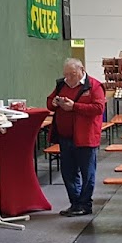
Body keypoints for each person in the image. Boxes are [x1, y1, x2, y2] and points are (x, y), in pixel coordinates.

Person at [47, 58, 106, 217]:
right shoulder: (61, 85)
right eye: (66, 74)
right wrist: (54, 103)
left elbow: (99, 108)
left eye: (72, 74)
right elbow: (49, 102)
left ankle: (85, 204)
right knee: (68, 172)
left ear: (82, 70)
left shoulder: (94, 86)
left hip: (86, 137)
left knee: (87, 173)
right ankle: (75, 203)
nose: (68, 78)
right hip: (65, 136)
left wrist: (74, 106)